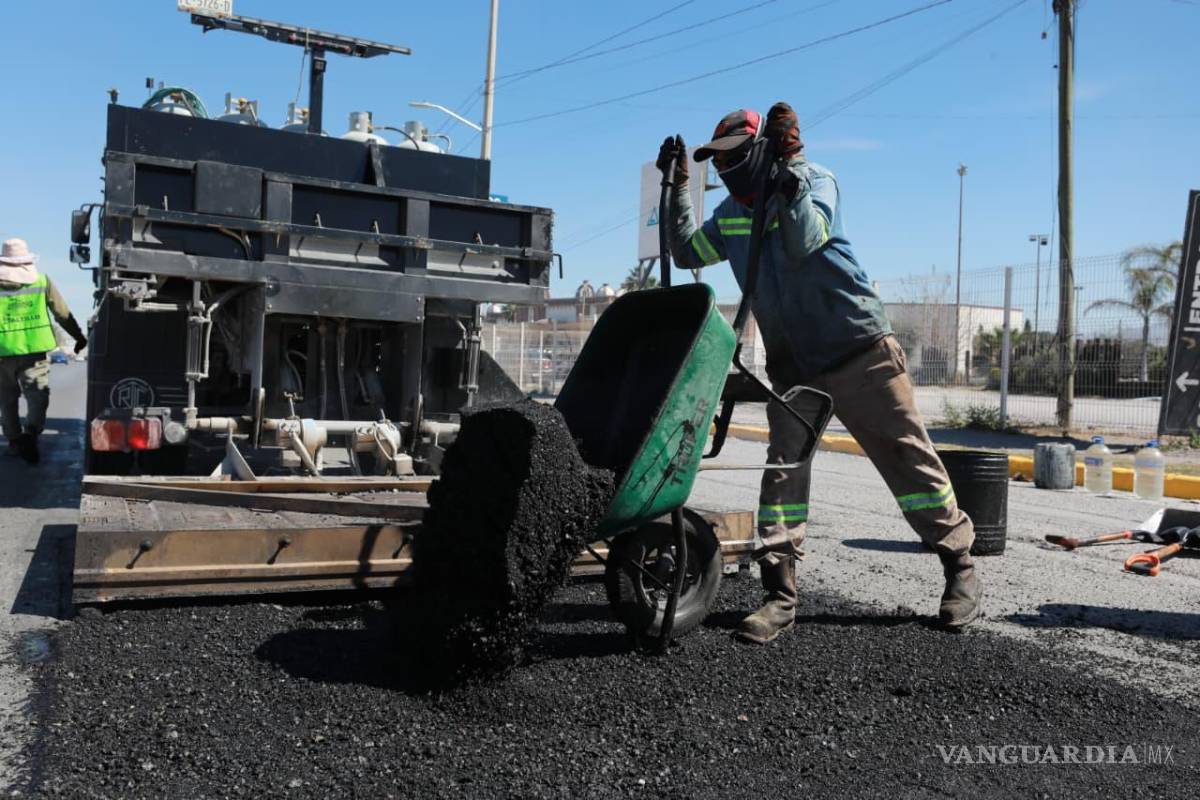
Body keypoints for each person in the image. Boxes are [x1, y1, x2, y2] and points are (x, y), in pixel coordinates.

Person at [656, 104, 982, 642]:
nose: (726, 169)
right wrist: (677, 189)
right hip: (796, 365)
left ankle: (960, 568)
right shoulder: (732, 213)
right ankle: (780, 596)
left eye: (736, 156)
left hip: (859, 348)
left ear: (763, 150)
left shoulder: (814, 181)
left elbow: (808, 240)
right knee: (783, 474)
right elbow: (688, 249)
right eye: (716, 162)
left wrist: (790, 173)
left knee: (908, 460)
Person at [0, 238, 88, 464]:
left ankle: (14, 441)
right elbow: (62, 312)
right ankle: (30, 433)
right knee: (37, 396)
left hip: (2, 354)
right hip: (33, 351)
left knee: (7, 400)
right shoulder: (41, 281)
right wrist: (78, 337)